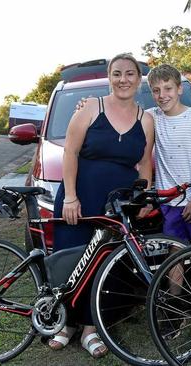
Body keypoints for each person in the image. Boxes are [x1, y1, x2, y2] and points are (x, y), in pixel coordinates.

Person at [49, 53, 154, 358]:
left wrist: (142, 198)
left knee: (105, 262)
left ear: (138, 79)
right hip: (80, 198)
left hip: (117, 205)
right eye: (117, 74)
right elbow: (70, 152)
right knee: (72, 261)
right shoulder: (91, 107)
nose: (124, 80)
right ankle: (65, 325)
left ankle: (91, 329)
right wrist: (70, 196)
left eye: (130, 74)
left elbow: (145, 164)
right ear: (110, 77)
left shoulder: (145, 120)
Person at [146, 64, 191, 278]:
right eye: (156, 90)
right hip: (169, 201)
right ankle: (173, 306)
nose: (162, 95)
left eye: (168, 88)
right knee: (175, 253)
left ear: (179, 89)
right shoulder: (152, 117)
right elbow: (123, 113)